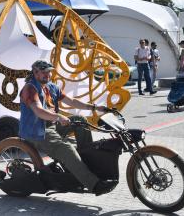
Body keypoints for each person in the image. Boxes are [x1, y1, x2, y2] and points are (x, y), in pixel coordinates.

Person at [19, 59, 115, 196]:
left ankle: (86, 162)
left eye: (49, 72)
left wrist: (94, 107)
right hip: (36, 131)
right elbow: (38, 111)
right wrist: (58, 117)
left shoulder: (51, 87)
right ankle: (94, 185)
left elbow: (71, 101)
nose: (48, 75)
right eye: (44, 72)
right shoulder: (30, 89)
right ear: (35, 72)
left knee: (80, 121)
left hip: (51, 125)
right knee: (67, 149)